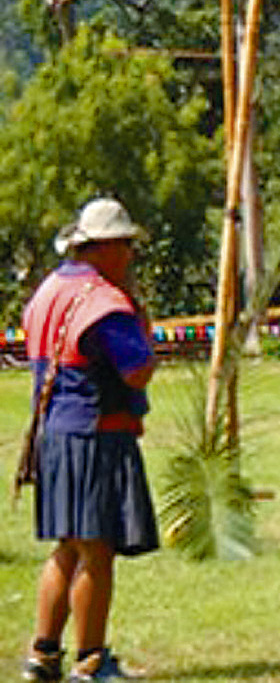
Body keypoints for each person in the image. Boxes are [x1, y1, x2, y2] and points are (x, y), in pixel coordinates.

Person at [20, 199, 158, 683]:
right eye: (125, 245)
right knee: (96, 552)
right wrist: (141, 321)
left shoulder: (49, 290)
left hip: (55, 434)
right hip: (96, 436)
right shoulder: (106, 304)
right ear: (103, 247)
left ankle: (44, 653)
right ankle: (91, 660)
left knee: (68, 547)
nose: (129, 255)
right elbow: (137, 371)